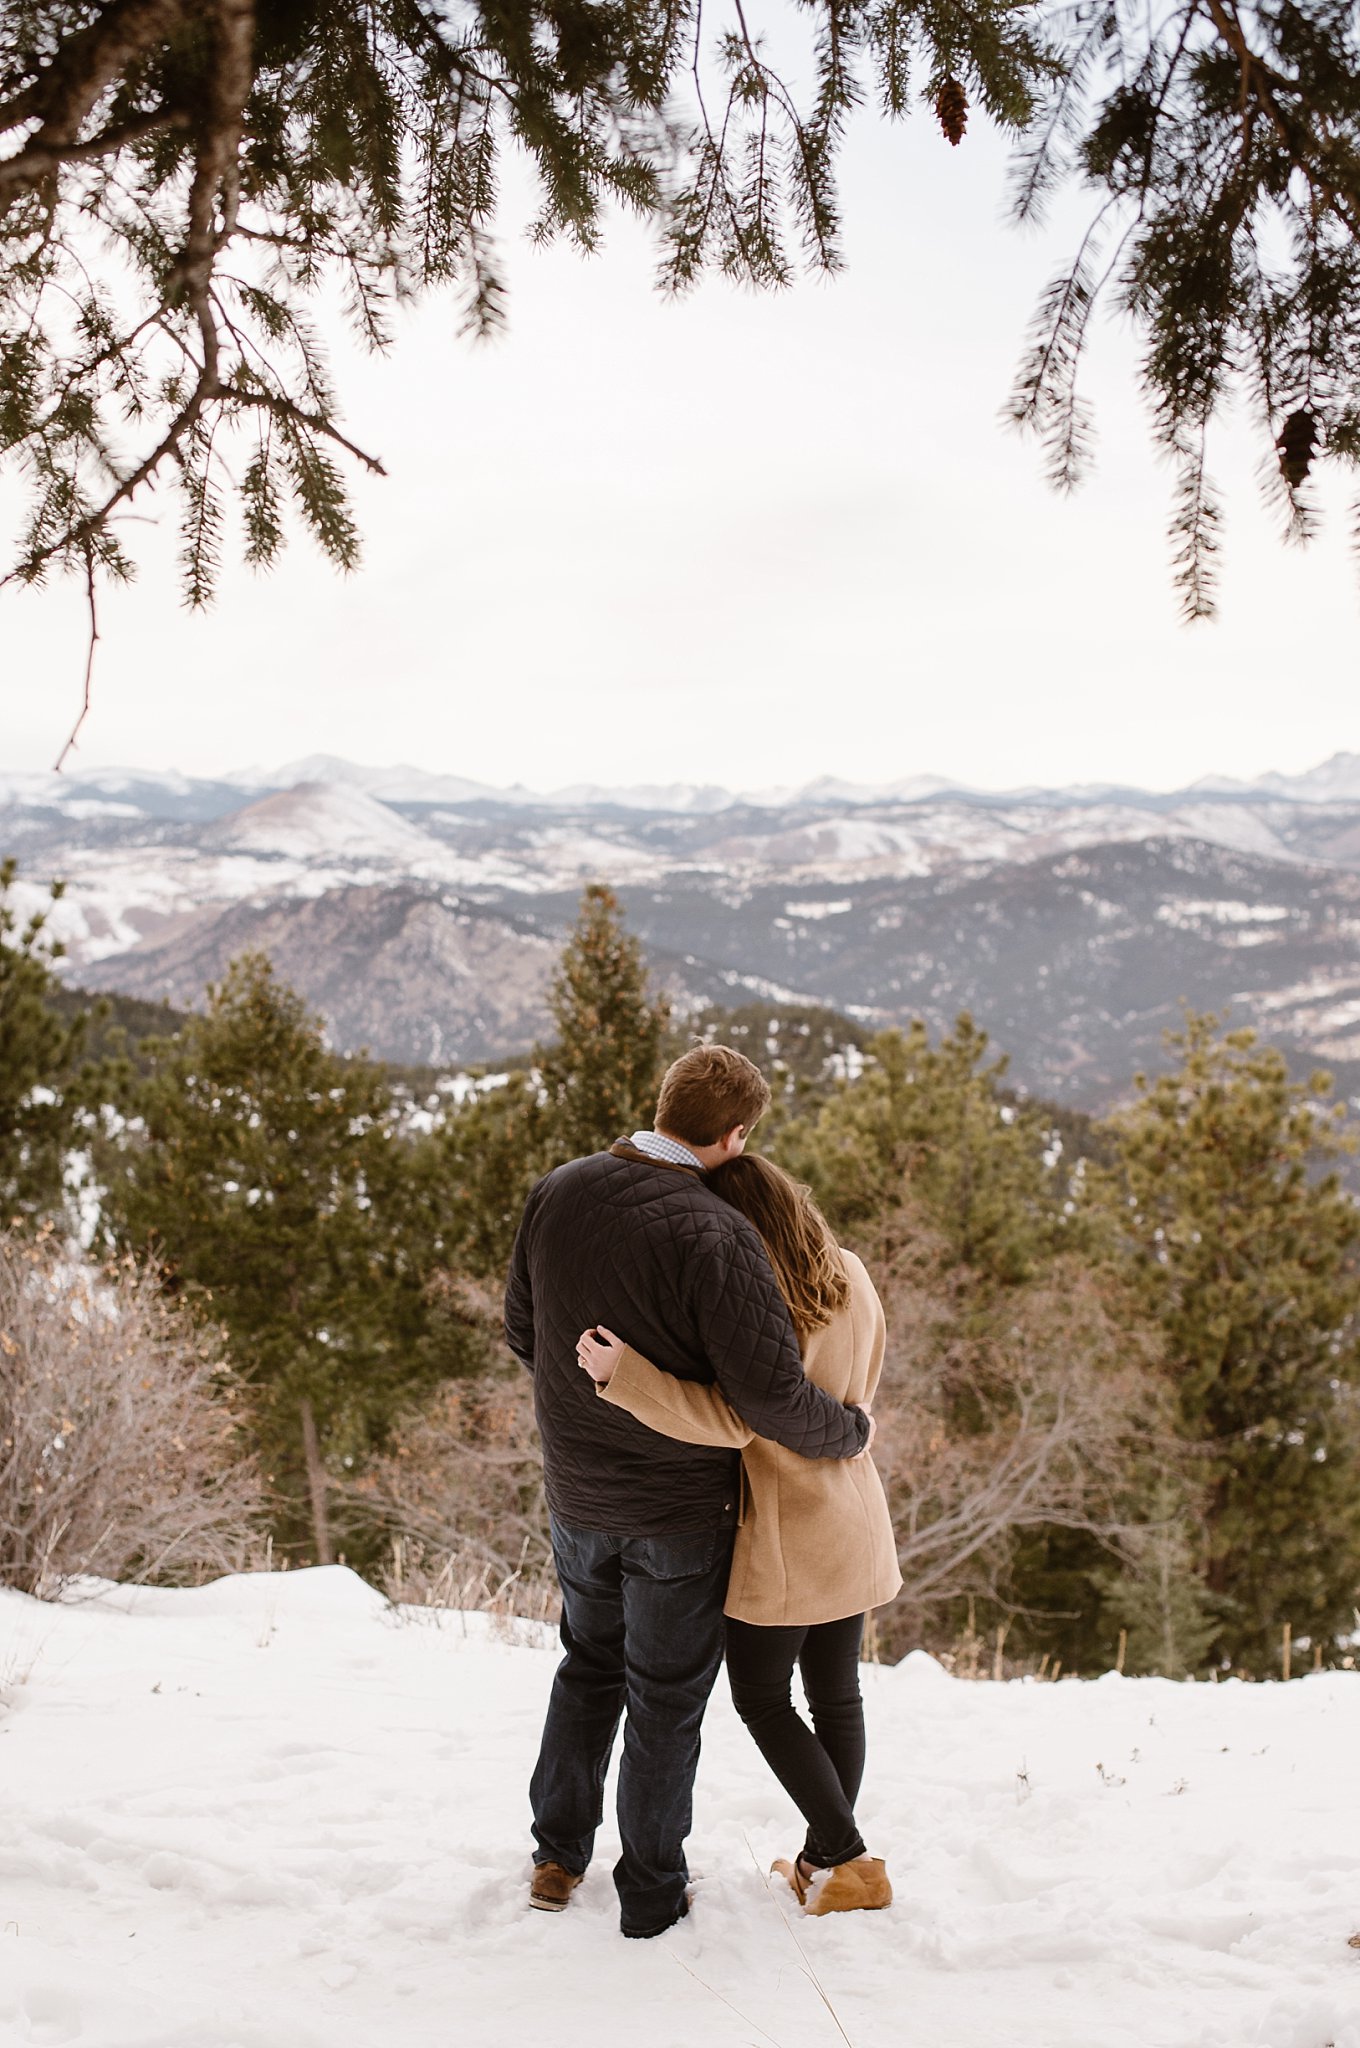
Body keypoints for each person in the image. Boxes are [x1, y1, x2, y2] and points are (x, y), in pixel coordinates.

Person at [504, 1045, 871, 1940]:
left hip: (577, 1495)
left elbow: (523, 1330)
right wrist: (850, 1432)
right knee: (664, 1698)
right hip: (676, 1514)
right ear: (736, 1134)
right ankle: (653, 1893)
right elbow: (770, 1399)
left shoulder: (558, 1188)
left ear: (663, 1104)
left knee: (586, 1665)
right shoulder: (716, 1231)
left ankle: (556, 1856)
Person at [576, 1153, 901, 1916]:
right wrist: (850, 1427)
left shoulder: (763, 1304)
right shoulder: (849, 1270)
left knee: (760, 1695)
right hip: (853, 1508)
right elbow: (863, 1382)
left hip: (790, 1525)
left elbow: (734, 1419)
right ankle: (825, 1860)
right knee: (837, 1697)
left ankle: (849, 1860)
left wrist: (627, 1376)